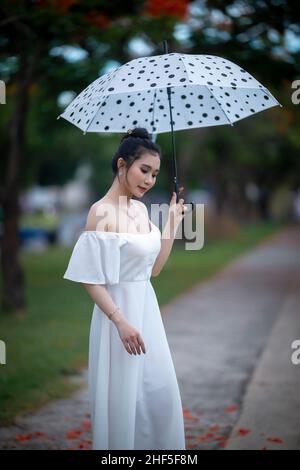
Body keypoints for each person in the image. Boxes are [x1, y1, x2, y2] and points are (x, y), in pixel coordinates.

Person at [63, 127, 188, 450]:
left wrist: (172, 222)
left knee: (160, 396)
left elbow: (154, 270)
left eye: (155, 174)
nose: (149, 180)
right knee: (125, 403)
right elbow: (90, 278)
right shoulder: (100, 212)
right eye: (144, 170)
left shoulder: (142, 210)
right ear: (122, 165)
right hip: (117, 320)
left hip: (147, 314)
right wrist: (120, 322)